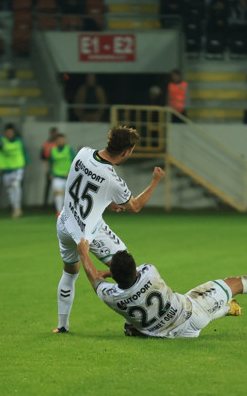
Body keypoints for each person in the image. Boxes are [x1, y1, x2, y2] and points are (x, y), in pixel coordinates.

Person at [54, 126, 165, 334]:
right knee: (128, 268)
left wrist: (106, 202)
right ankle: (132, 323)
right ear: (125, 152)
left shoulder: (83, 153)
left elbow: (82, 184)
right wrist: (155, 181)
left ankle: (62, 326)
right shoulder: (112, 179)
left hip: (65, 223)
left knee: (69, 273)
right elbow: (135, 207)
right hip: (88, 234)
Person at [76, 238, 247, 338]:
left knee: (132, 322)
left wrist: (83, 254)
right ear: (135, 271)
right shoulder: (149, 271)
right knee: (236, 283)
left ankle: (228, 309)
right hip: (191, 314)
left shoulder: (111, 297)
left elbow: (93, 277)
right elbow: (107, 274)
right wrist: (98, 261)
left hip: (169, 335)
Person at [0, 124, 30, 219]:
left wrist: (27, 161)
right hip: (6, 169)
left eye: (11, 132)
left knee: (16, 186)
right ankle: (15, 208)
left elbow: (24, 151)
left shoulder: (19, 141)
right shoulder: (1, 142)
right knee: (10, 190)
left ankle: (17, 208)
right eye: (7, 132)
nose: (9, 134)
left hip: (17, 168)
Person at [48, 133, 75, 217]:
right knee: (58, 192)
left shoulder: (69, 149)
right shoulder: (53, 150)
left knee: (69, 195)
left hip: (68, 176)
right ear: (55, 141)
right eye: (58, 140)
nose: (60, 141)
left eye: (61, 140)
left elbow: (75, 162)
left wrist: (72, 173)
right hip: (57, 175)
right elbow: (50, 163)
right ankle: (59, 211)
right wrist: (51, 173)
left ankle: (70, 212)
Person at [40, 127, 59, 208]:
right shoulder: (46, 144)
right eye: (54, 133)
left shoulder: (58, 144)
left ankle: (56, 205)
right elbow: (42, 156)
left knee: (58, 188)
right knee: (48, 187)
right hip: (50, 169)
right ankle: (45, 204)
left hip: (59, 170)